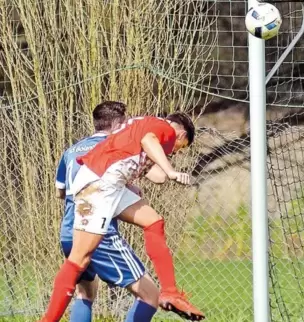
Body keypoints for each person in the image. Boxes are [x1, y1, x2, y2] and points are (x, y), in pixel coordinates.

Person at [41, 112, 205, 321]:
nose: (175, 151)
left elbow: (122, 150)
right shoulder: (165, 130)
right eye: (181, 148)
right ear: (181, 134)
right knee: (78, 259)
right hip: (100, 184)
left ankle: (170, 292)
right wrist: (171, 171)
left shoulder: (143, 123)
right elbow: (148, 140)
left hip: (110, 182)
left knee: (153, 221)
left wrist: (130, 182)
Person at [54, 101, 164, 322]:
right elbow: (159, 176)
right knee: (150, 295)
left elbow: (60, 192)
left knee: (85, 292)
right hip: (98, 235)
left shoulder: (71, 151)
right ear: (118, 124)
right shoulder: (119, 147)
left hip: (69, 231)